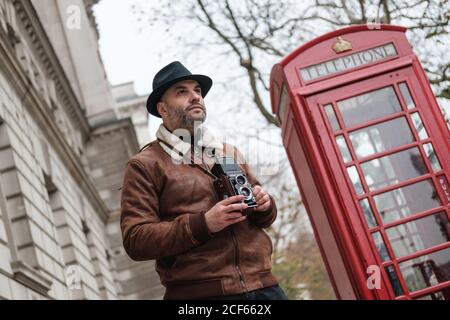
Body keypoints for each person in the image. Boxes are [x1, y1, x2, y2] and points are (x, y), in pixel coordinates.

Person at [120, 61, 287, 300]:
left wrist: (265, 204)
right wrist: (204, 224)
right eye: (182, 92)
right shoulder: (145, 164)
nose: (195, 97)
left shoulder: (228, 152)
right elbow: (136, 239)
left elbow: (264, 218)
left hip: (265, 287)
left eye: (197, 90)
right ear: (163, 109)